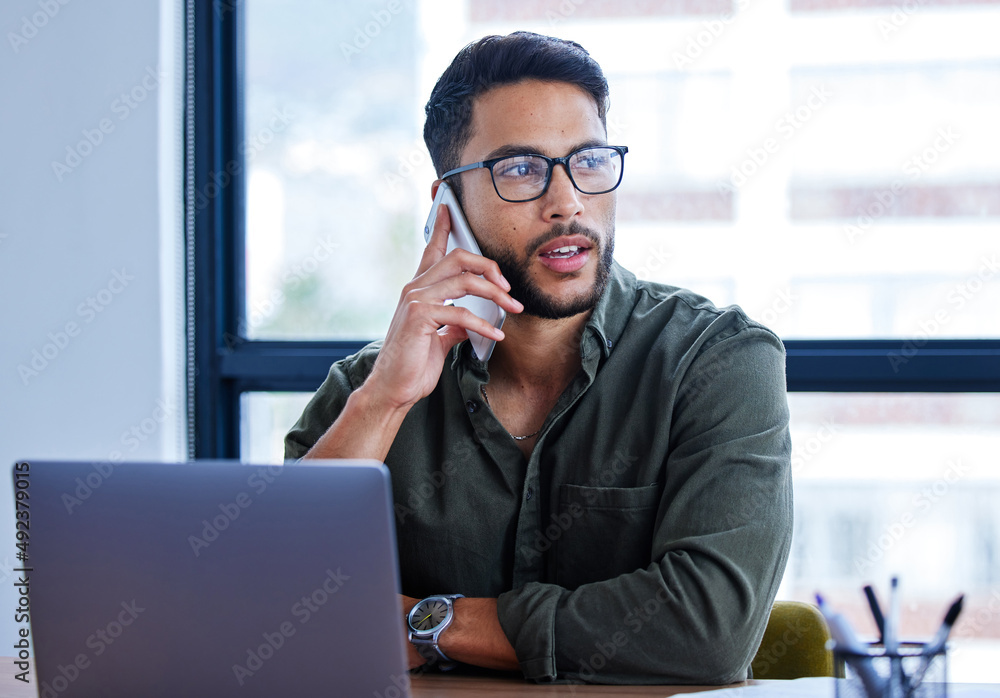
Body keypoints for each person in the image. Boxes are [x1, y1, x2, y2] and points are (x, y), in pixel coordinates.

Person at [285, 31, 792, 685]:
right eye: (520, 168)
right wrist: (387, 400)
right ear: (449, 204)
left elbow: (707, 630)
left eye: (588, 160)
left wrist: (432, 625)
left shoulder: (718, 362)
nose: (568, 201)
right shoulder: (371, 388)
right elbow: (283, 606)